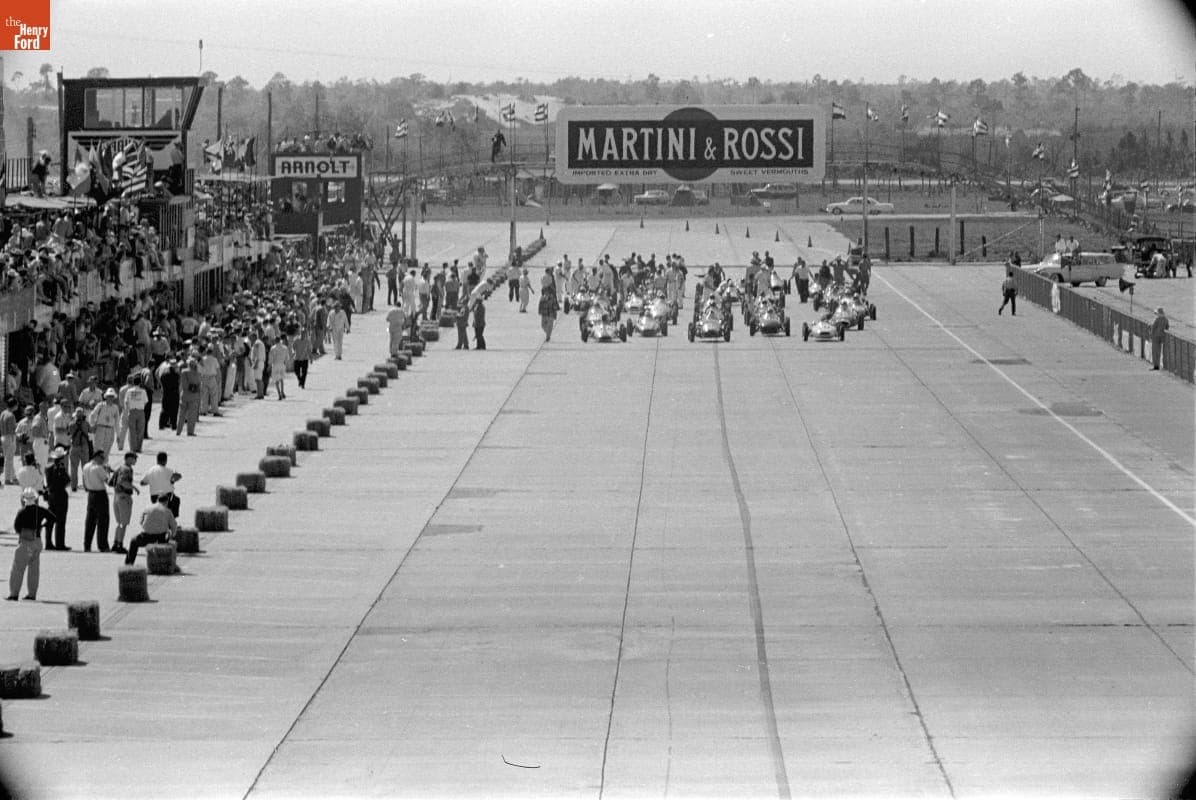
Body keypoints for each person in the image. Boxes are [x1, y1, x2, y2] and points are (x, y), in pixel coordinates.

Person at [8, 488, 54, 600]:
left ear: (23, 500)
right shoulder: (40, 510)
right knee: (34, 570)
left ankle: (14, 594)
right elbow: (53, 518)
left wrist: (22, 532)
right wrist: (43, 526)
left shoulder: (22, 512)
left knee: (18, 568)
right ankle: (32, 594)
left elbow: (16, 527)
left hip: (25, 542)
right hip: (37, 541)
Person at [123, 492, 178, 567]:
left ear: (157, 500)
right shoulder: (168, 511)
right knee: (167, 537)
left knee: (133, 542)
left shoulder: (147, 508)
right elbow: (174, 526)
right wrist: (172, 536)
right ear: (166, 501)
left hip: (146, 536)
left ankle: (129, 564)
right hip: (160, 538)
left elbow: (141, 522)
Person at [81, 450, 112, 552]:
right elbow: (109, 482)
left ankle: (87, 545)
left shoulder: (86, 466)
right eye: (102, 458)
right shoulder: (98, 468)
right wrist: (108, 472)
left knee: (90, 520)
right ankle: (102, 545)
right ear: (97, 457)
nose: (103, 460)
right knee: (103, 520)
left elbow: (84, 481)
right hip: (100, 494)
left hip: (91, 494)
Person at [110, 451, 139, 555]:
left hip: (116, 496)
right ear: (128, 459)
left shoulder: (119, 468)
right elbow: (122, 482)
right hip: (124, 497)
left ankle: (115, 543)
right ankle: (119, 545)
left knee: (119, 523)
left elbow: (111, 482)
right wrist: (134, 487)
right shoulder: (127, 469)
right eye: (134, 458)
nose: (135, 460)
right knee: (123, 523)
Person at [140, 451, 182, 518]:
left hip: (154, 497)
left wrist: (152, 481)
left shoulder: (151, 470)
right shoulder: (169, 470)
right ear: (166, 460)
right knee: (176, 500)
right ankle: (172, 521)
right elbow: (174, 479)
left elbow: (142, 483)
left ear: (157, 460)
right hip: (167, 496)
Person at [44, 447, 71, 551]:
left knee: (50, 519)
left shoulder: (48, 468)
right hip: (60, 495)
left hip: (51, 495)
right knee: (61, 520)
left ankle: (48, 542)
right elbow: (67, 481)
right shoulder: (60, 468)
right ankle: (60, 543)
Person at [176, 358, 202, 436]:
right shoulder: (198, 373)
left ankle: (178, 431)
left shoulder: (184, 372)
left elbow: (184, 385)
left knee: (181, 415)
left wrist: (189, 388)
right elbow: (199, 386)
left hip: (184, 396)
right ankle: (190, 431)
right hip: (194, 397)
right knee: (192, 416)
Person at [0, 397, 18, 485]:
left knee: (8, 458)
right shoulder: (11, 415)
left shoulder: (3, 413)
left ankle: (13, 477)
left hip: (3, 436)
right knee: (9, 459)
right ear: (14, 405)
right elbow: (12, 430)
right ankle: (7, 479)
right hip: (10, 437)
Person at [269, 333, 291, 400]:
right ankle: (282, 392)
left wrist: (269, 365)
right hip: (282, 364)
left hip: (275, 364)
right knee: (281, 379)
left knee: (276, 380)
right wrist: (287, 365)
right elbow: (287, 358)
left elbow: (271, 358)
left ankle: (279, 394)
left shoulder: (273, 348)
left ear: (275, 341)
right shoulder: (285, 347)